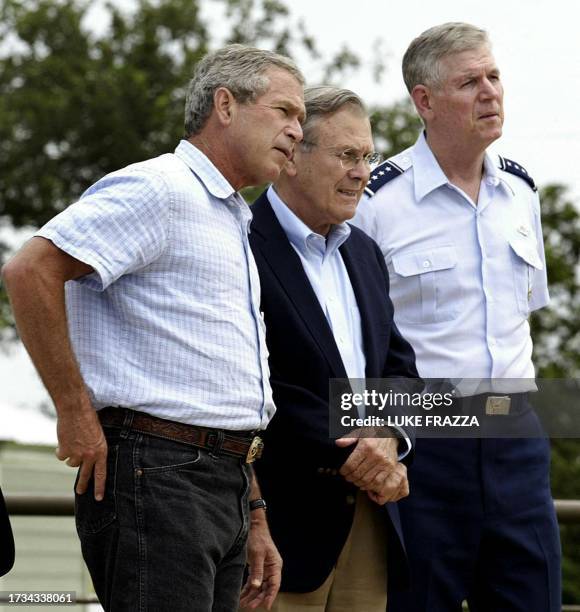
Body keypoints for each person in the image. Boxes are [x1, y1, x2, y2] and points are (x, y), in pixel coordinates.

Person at [1, 44, 305, 612]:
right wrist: (74, 410)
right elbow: (30, 269)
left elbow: (225, 394)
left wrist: (255, 512)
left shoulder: (230, 217)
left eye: (301, 119)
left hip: (220, 478)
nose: (296, 132)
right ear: (225, 105)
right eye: (285, 111)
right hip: (157, 472)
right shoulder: (160, 189)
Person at [353, 22, 561, 612]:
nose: (491, 92)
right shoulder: (376, 203)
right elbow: (358, 340)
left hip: (517, 435)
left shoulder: (521, 193)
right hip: (425, 440)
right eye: (470, 82)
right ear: (424, 100)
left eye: (493, 77)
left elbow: (523, 318)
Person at [240, 86, 419, 612]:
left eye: (368, 156)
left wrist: (388, 435)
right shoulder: (239, 240)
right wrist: (359, 448)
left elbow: (399, 367)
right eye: (347, 155)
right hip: (276, 525)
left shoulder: (363, 251)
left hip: (370, 519)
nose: (362, 172)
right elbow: (256, 379)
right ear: (292, 155)